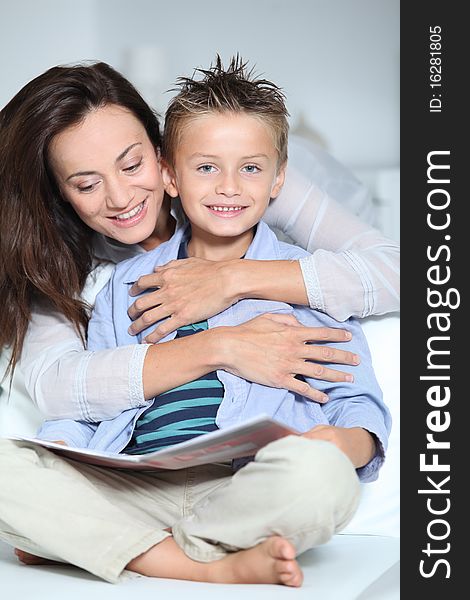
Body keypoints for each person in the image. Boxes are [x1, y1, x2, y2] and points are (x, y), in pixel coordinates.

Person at [0, 59, 397, 585]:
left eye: (130, 164)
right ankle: (204, 564)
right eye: (86, 183)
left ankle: (109, 545)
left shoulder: (280, 231)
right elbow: (70, 396)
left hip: (240, 484)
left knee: (322, 478)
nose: (119, 197)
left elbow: (360, 375)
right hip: (139, 486)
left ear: (159, 158)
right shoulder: (114, 287)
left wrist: (236, 277)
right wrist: (221, 346)